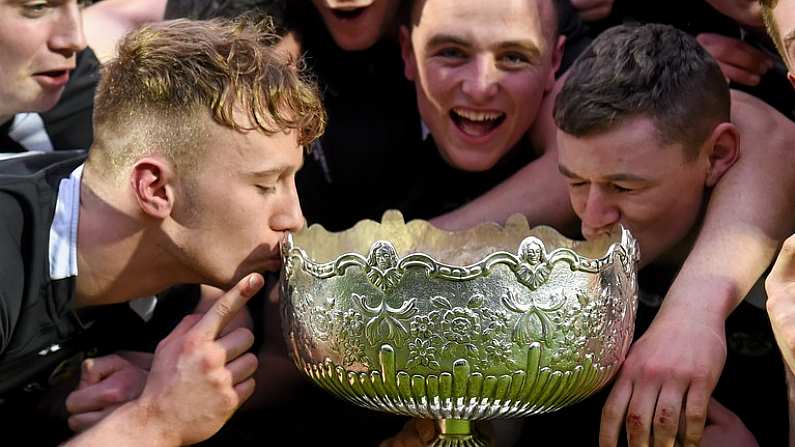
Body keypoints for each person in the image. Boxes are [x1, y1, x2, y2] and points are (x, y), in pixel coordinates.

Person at [0, 16, 325, 445]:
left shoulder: (153, 255)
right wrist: (156, 421)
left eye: (291, 181)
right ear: (154, 188)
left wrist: (126, 388)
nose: (294, 219)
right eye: (265, 185)